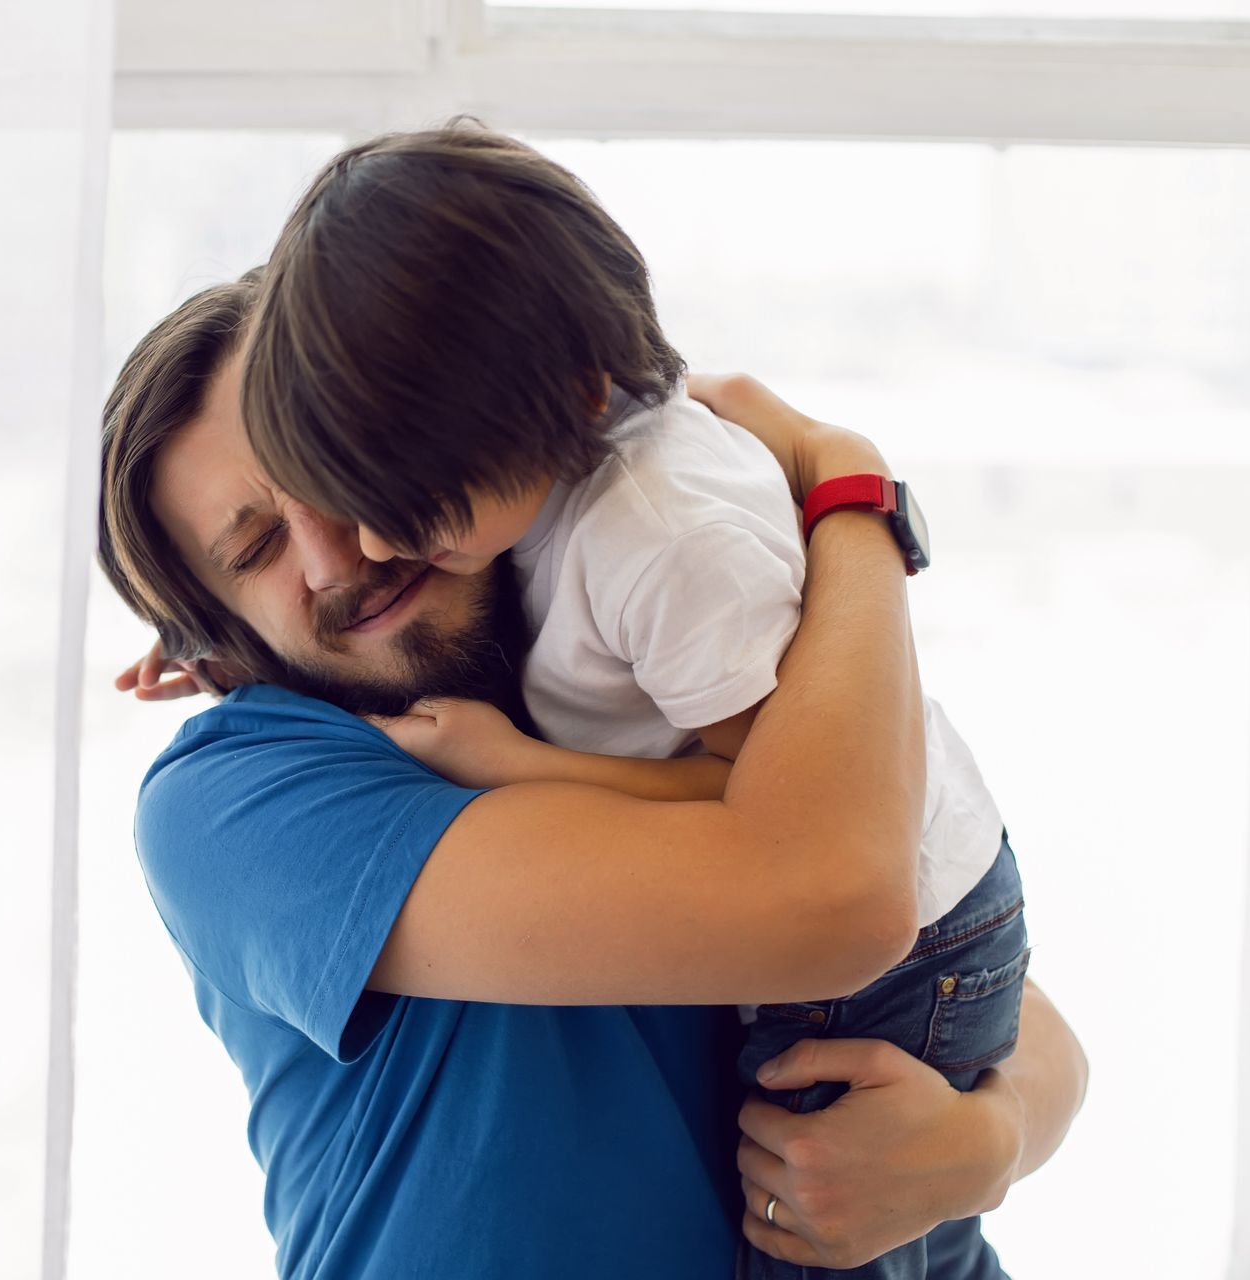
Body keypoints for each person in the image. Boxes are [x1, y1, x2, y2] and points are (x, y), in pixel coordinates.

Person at [100, 273, 1086, 1279]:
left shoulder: (610, 622)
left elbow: (984, 973)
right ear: (215, 632)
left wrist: (988, 1141)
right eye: (257, 547)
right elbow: (837, 895)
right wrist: (854, 493)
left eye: (329, 469)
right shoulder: (237, 799)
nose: (337, 555)